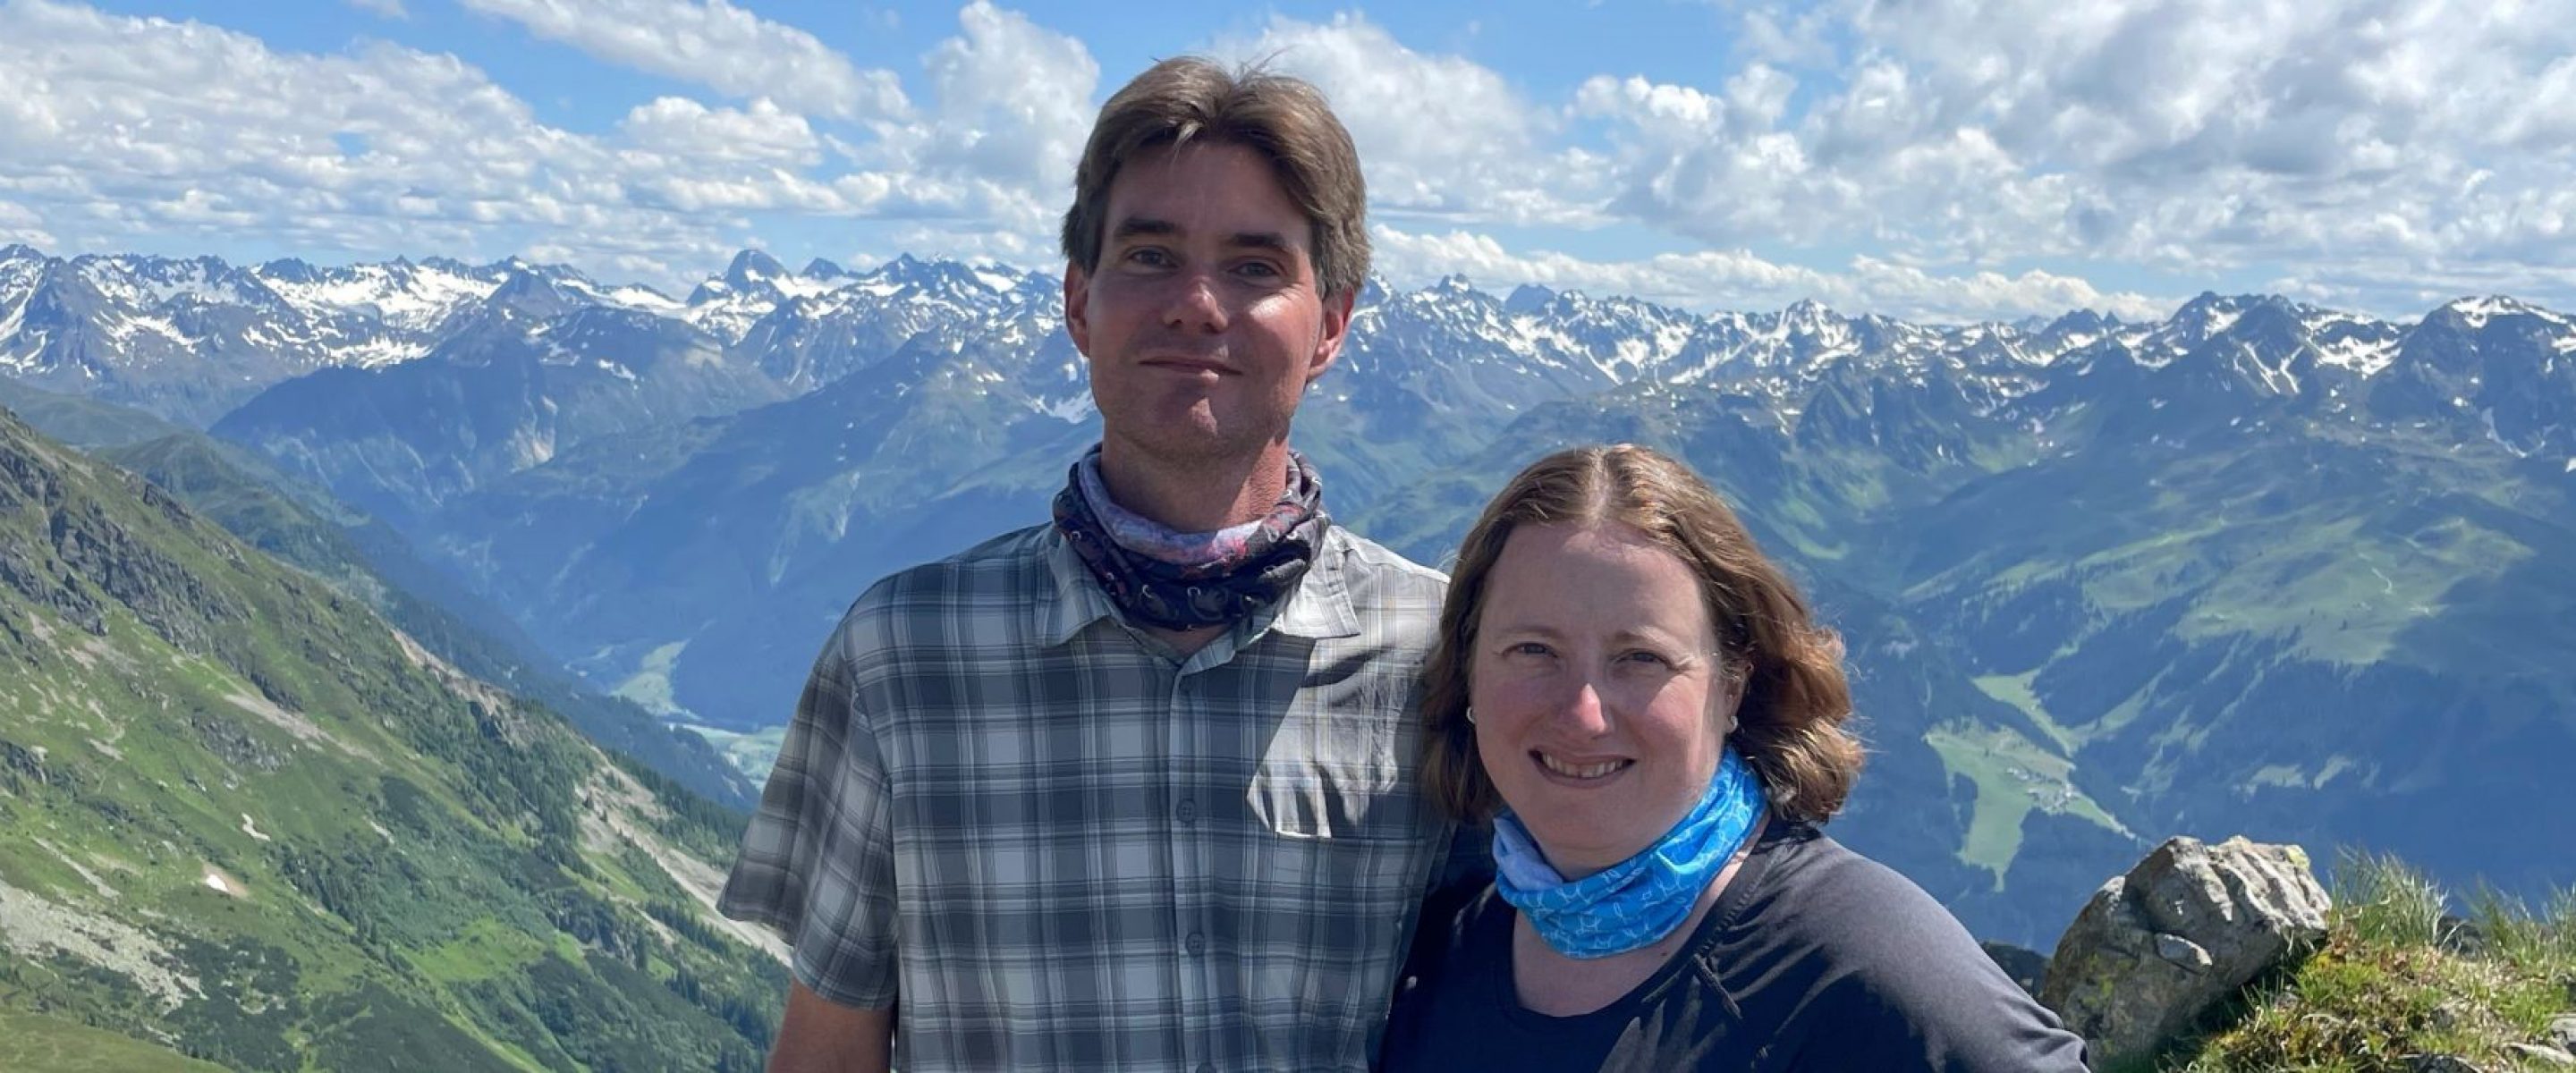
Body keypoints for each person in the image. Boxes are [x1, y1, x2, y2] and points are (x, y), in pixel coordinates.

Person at [716, 57, 1460, 1073]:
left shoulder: (1445, 661)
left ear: (1330, 324)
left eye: (1254, 268)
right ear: (1078, 304)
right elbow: (828, 1052)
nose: (1198, 304)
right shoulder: (903, 658)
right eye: (1151, 255)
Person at [1379, 444, 2090, 1071]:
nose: (1583, 712)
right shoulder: (1447, 943)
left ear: (1731, 688)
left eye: (1640, 659)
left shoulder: (1860, 964)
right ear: (1467, 671)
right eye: (1533, 651)